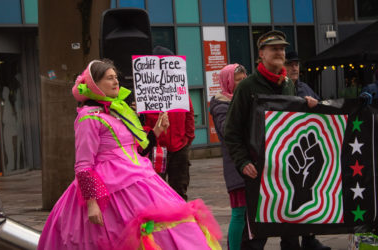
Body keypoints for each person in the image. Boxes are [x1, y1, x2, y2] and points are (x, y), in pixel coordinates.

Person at [38, 59, 221, 250]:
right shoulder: (88, 117)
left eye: (116, 77)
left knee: (169, 228)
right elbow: (83, 164)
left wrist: (157, 131)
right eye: (109, 78)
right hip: (109, 188)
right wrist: (92, 203)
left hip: (139, 178)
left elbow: (133, 149)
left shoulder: (116, 111)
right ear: (95, 85)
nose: (116, 82)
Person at [224, 30, 318, 250]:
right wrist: (242, 161)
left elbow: (292, 122)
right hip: (258, 172)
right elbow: (231, 130)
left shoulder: (287, 84)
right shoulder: (247, 87)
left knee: (291, 233)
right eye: (274, 48)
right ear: (261, 54)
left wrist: (306, 105)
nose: (280, 52)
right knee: (256, 237)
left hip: (287, 171)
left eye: (282, 48)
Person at [284, 52, 331, 250]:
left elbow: (322, 109)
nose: (295, 68)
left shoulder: (304, 87)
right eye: (291, 64)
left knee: (309, 191)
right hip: (286, 146)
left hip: (306, 143)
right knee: (287, 196)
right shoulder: (282, 86)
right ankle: (290, 243)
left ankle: (309, 239)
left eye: (297, 64)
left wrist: (316, 104)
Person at [144, 45, 195, 201]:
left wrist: (187, 138)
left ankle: (180, 224)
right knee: (156, 192)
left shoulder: (180, 89)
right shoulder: (147, 91)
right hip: (157, 149)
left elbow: (189, 114)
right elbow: (143, 123)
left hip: (179, 148)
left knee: (180, 190)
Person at [210, 64, 247, 250]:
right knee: (239, 213)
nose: (242, 83)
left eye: (244, 79)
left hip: (252, 162)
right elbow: (227, 130)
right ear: (228, 82)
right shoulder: (221, 104)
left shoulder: (245, 99)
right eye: (238, 80)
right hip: (235, 165)